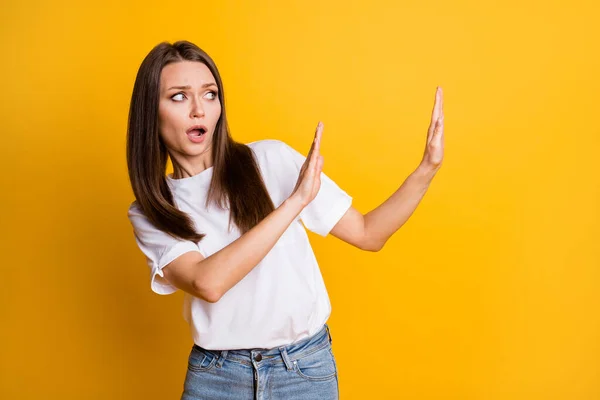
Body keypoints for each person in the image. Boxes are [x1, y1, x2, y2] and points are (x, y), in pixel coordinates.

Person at [126, 40, 444, 400]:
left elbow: (368, 234)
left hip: (303, 371)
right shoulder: (152, 211)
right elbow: (208, 283)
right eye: (179, 97)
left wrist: (426, 170)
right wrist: (295, 203)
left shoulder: (271, 159)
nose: (199, 109)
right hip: (217, 380)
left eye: (210, 94)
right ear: (151, 111)